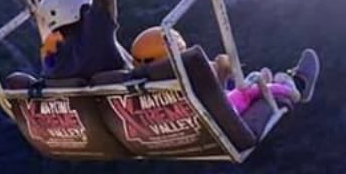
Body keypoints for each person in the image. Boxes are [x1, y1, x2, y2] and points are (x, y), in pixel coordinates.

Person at [130, 27, 320, 115]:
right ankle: (296, 87)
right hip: (227, 108)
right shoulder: (191, 76)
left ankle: (276, 81)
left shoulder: (145, 87)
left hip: (192, 117)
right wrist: (221, 68)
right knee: (250, 82)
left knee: (230, 70)